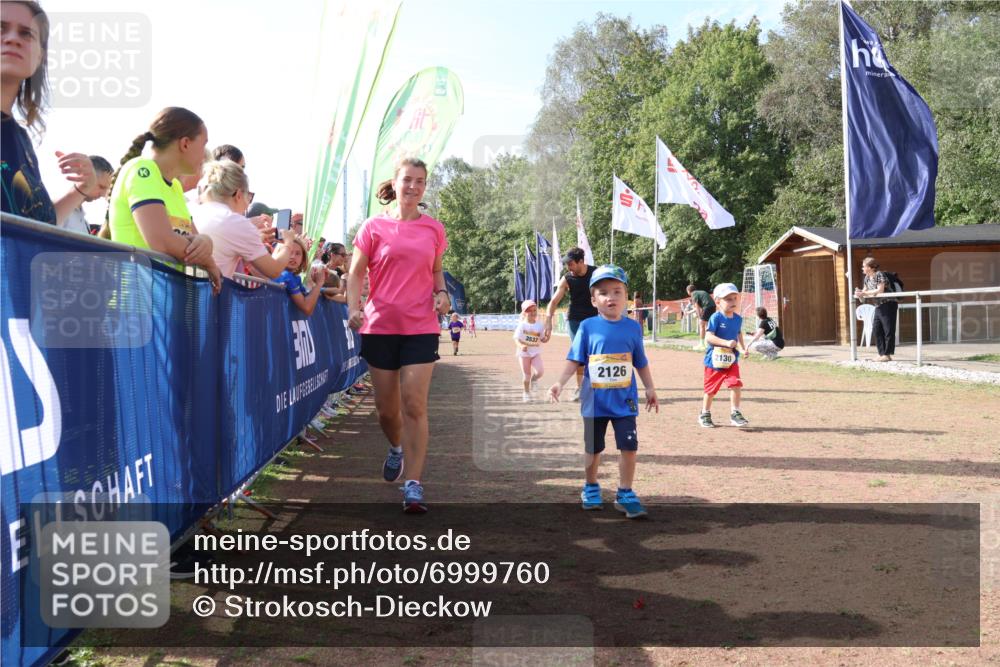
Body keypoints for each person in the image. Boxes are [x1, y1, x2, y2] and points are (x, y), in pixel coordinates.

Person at [347, 157, 449, 514]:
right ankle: (395, 448)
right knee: (387, 411)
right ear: (395, 182)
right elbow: (356, 272)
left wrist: (443, 293)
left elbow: (437, 271)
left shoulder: (434, 229)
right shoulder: (373, 227)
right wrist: (353, 307)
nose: (414, 187)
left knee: (414, 404)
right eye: (408, 180)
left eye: (420, 181)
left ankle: (414, 485)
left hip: (421, 326)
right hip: (380, 326)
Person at [549, 265, 659, 519]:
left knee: (629, 446)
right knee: (593, 448)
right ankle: (590, 487)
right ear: (593, 299)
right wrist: (560, 383)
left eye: (617, 291)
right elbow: (574, 359)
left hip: (624, 401)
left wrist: (650, 387)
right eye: (603, 293)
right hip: (594, 402)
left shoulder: (633, 328)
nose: (611, 297)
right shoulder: (587, 327)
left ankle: (625, 492)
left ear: (626, 297)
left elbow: (640, 361)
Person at [1, 1, 101, 224]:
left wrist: (80, 190)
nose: (12, 39)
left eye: (26, 34)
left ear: (40, 56)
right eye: (0, 28)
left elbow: (39, 224)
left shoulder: (22, 140)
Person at [107, 106, 222, 293]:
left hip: (163, 300)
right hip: (136, 301)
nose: (204, 155)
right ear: (185, 144)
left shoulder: (175, 186)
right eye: (203, 144)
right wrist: (208, 260)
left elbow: (193, 238)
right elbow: (161, 240)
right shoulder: (142, 169)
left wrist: (206, 241)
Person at [195, 159, 298, 280]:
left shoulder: (192, 209)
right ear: (238, 195)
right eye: (248, 196)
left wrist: (255, 237)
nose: (247, 204)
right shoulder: (234, 221)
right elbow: (274, 270)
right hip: (207, 295)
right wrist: (289, 242)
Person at [543, 247, 599, 401]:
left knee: (594, 353)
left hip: (593, 319)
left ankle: (595, 386)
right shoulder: (567, 278)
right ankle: (580, 389)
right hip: (574, 320)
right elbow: (553, 301)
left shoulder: (596, 273)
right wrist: (548, 320)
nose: (569, 268)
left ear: (581, 261)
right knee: (580, 354)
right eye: (567, 265)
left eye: (571, 264)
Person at [699, 283, 749, 428]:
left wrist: (742, 348)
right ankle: (705, 413)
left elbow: (738, 334)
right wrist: (726, 343)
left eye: (735, 298)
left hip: (732, 360)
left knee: (735, 384)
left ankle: (735, 413)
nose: (733, 302)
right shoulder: (716, 317)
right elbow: (709, 337)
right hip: (714, 361)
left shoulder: (738, 319)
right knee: (711, 390)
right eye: (728, 299)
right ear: (718, 301)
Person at [854, 256, 898, 362]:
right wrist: (859, 294)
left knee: (888, 330)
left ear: (870, 267)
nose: (862, 268)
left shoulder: (879, 275)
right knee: (876, 329)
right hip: (878, 306)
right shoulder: (866, 278)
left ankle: (887, 355)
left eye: (863, 266)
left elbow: (880, 290)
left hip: (888, 304)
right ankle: (881, 353)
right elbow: (864, 295)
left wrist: (864, 293)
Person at [58, 155, 113, 235]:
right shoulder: (60, 212)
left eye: (106, 189)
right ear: (83, 176)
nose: (103, 194)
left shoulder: (85, 223)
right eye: (101, 187)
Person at [276, 236, 325, 315]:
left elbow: (307, 297)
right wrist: (319, 283)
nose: (293, 257)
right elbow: (307, 308)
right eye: (289, 252)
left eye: (298, 253)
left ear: (303, 258)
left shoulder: (296, 277)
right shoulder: (285, 275)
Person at [513, 299, 545, 402]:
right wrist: (521, 345)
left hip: (535, 353)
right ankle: (526, 393)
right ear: (524, 313)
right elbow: (516, 339)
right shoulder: (522, 325)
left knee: (540, 372)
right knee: (526, 375)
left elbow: (543, 339)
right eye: (529, 310)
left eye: (534, 310)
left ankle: (534, 379)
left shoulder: (539, 325)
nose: (533, 312)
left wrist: (547, 337)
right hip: (524, 354)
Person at [687, 284, 715, 349]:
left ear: (688, 291)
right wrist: (689, 312)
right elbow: (700, 307)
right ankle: (707, 343)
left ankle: (702, 344)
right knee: (707, 325)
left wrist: (699, 316)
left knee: (701, 324)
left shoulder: (693, 294)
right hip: (712, 307)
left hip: (707, 307)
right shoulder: (699, 292)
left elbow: (697, 306)